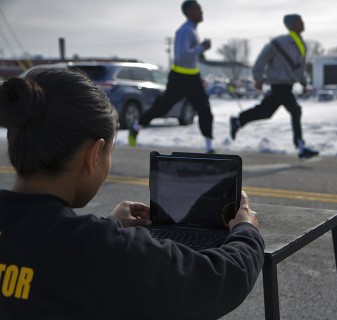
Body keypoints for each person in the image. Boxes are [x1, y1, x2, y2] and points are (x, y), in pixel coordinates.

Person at [0, 68, 264, 319]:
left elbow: (45, 247)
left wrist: (109, 224)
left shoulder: (88, 243)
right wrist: (246, 231)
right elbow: (216, 282)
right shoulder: (106, 251)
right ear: (94, 155)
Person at [129, 0, 215, 153]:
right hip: (180, 77)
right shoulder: (185, 31)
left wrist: (200, 52)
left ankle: (209, 148)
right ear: (189, 12)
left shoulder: (193, 30)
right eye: (198, 9)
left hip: (193, 77)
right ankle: (136, 126)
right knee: (163, 108)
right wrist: (202, 48)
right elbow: (181, 56)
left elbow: (190, 56)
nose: (201, 12)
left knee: (205, 109)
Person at [229, 14, 319, 159]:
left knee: (266, 112)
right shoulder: (279, 42)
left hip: (287, 85)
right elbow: (262, 59)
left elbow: (299, 68)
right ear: (292, 25)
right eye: (299, 21)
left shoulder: (301, 44)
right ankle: (301, 147)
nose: (303, 23)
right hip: (278, 84)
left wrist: (303, 83)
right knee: (295, 111)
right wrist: (257, 78)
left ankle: (238, 121)